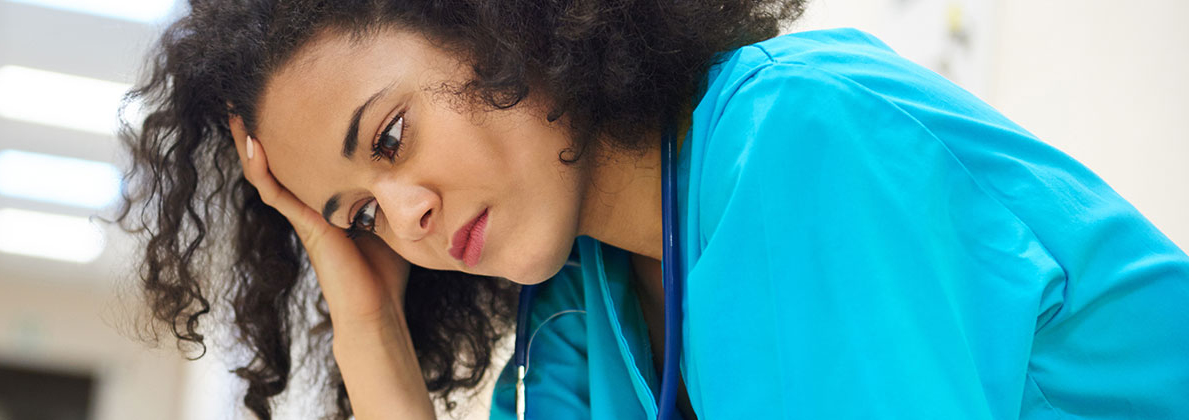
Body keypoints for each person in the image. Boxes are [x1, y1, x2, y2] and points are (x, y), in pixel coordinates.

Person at [116, 0, 1189, 419]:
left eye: (391, 138)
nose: (406, 218)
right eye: (357, 217)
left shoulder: (800, 139)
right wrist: (371, 336)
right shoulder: (583, 313)